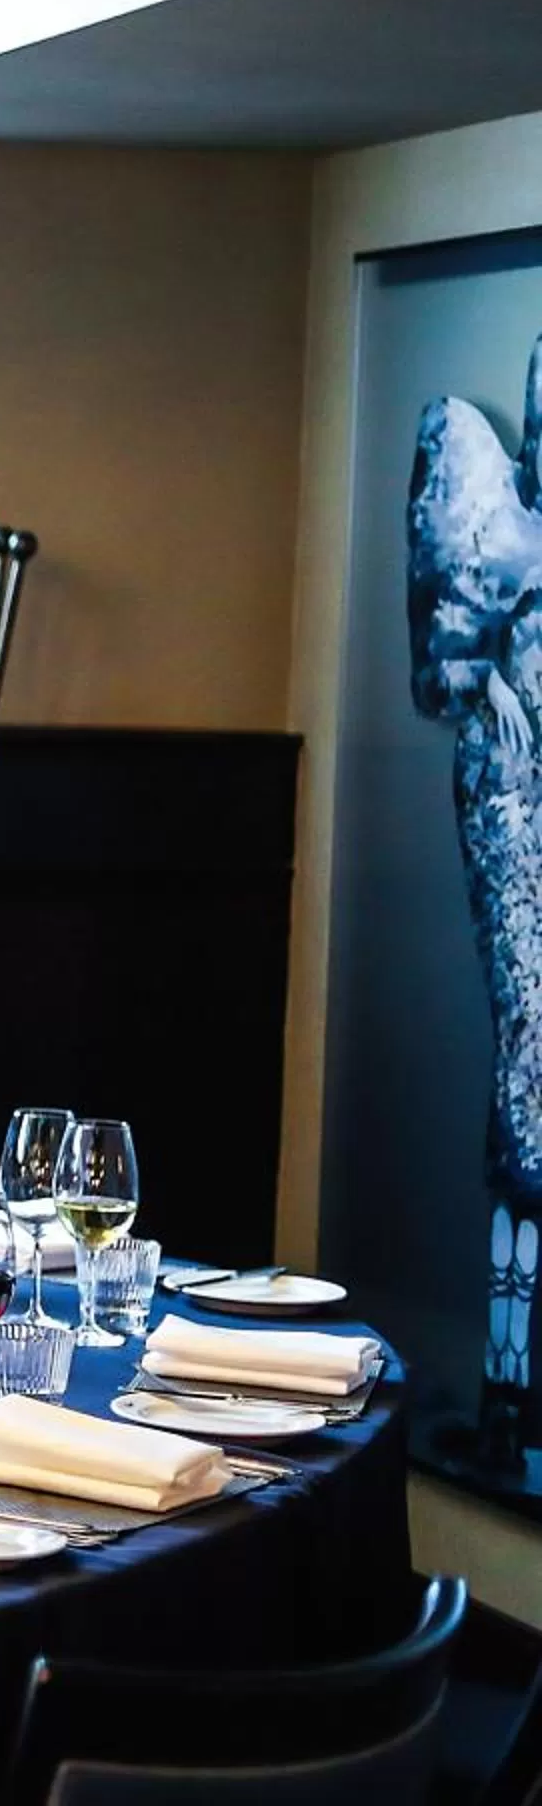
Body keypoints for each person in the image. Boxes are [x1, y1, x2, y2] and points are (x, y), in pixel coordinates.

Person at [409, 332, 542, 1464]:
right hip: (511, 795)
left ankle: (516, 1371)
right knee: (525, 1048)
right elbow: (446, 655)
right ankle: (507, 1368)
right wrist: (488, 673)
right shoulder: (499, 517)